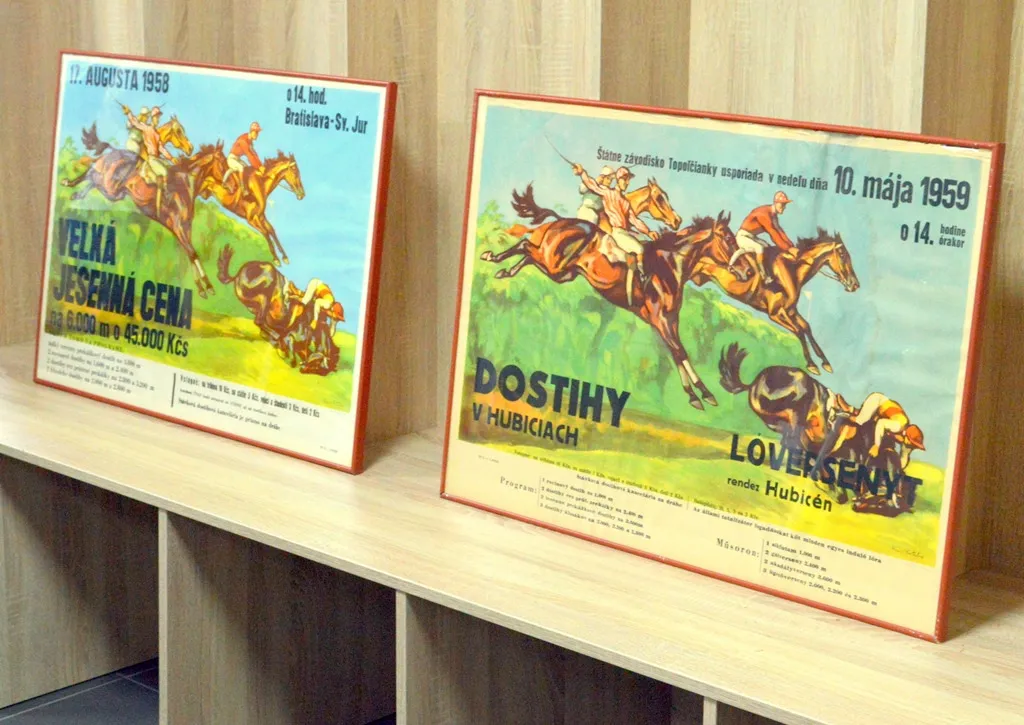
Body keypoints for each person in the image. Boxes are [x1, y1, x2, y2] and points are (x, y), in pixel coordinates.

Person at [573, 162, 656, 306]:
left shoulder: (625, 202)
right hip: (617, 233)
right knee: (639, 249)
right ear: (618, 180)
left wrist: (648, 232)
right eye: (625, 179)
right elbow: (592, 184)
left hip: (625, 233)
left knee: (644, 245)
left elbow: (634, 220)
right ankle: (642, 278)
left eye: (628, 180)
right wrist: (582, 172)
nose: (627, 183)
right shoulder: (608, 193)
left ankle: (633, 284)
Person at [730, 191, 798, 285]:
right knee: (760, 248)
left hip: (751, 237)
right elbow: (773, 233)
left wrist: (791, 246)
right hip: (742, 237)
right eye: (782, 204)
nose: (784, 207)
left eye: (785, 205)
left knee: (767, 247)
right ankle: (764, 276)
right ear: (776, 203)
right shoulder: (764, 213)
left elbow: (780, 231)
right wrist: (788, 249)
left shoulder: (773, 215)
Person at [124, 106, 172, 213]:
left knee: (170, 169)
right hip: (151, 159)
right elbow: (136, 123)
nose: (158, 120)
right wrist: (129, 113)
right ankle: (162, 201)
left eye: (159, 118)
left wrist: (171, 158)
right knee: (164, 172)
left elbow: (161, 148)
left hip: (157, 158)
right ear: (152, 118)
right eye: (156, 117)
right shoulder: (147, 128)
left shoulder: (156, 133)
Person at [223, 121, 264, 192]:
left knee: (246, 168)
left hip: (237, 159)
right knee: (241, 167)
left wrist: (260, 166)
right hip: (231, 159)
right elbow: (249, 155)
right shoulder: (243, 140)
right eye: (256, 133)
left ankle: (228, 178)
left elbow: (254, 154)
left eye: (258, 133)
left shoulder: (249, 141)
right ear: (252, 132)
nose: (257, 135)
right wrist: (258, 167)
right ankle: (242, 187)